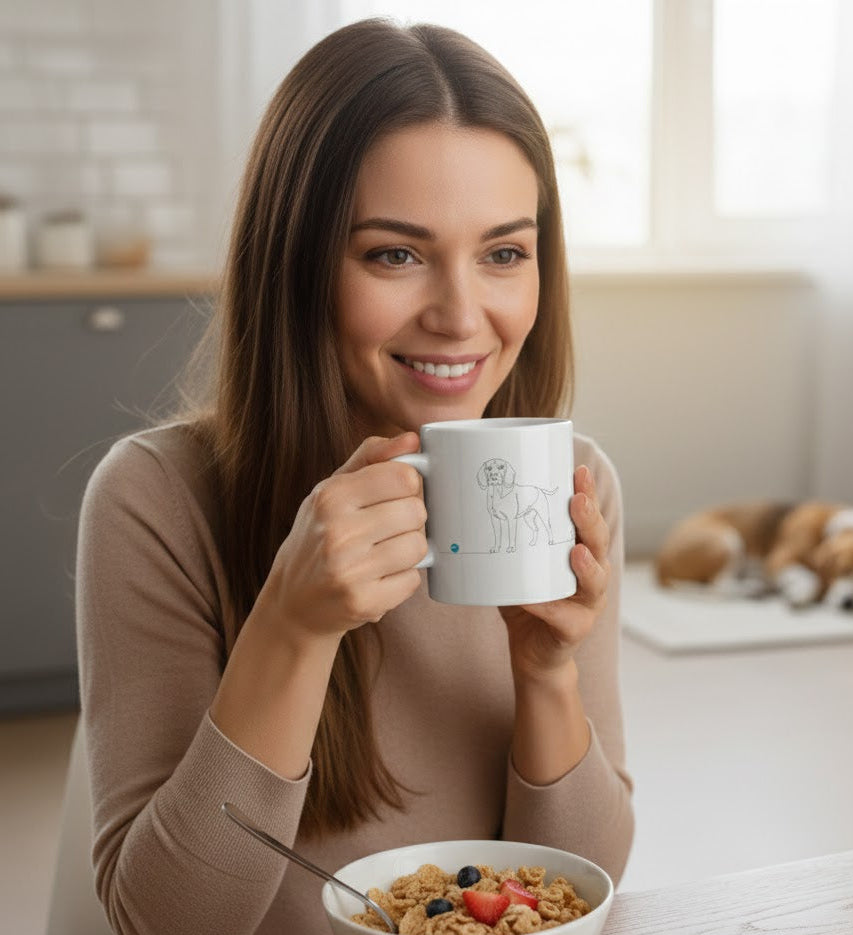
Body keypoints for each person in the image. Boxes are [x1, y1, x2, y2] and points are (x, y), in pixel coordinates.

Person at [76, 17, 634, 935]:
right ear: (295, 264)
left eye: (503, 253)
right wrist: (292, 626)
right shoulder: (155, 499)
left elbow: (585, 884)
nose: (461, 315)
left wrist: (547, 672)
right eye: (395, 254)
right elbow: (163, 921)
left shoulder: (573, 484)